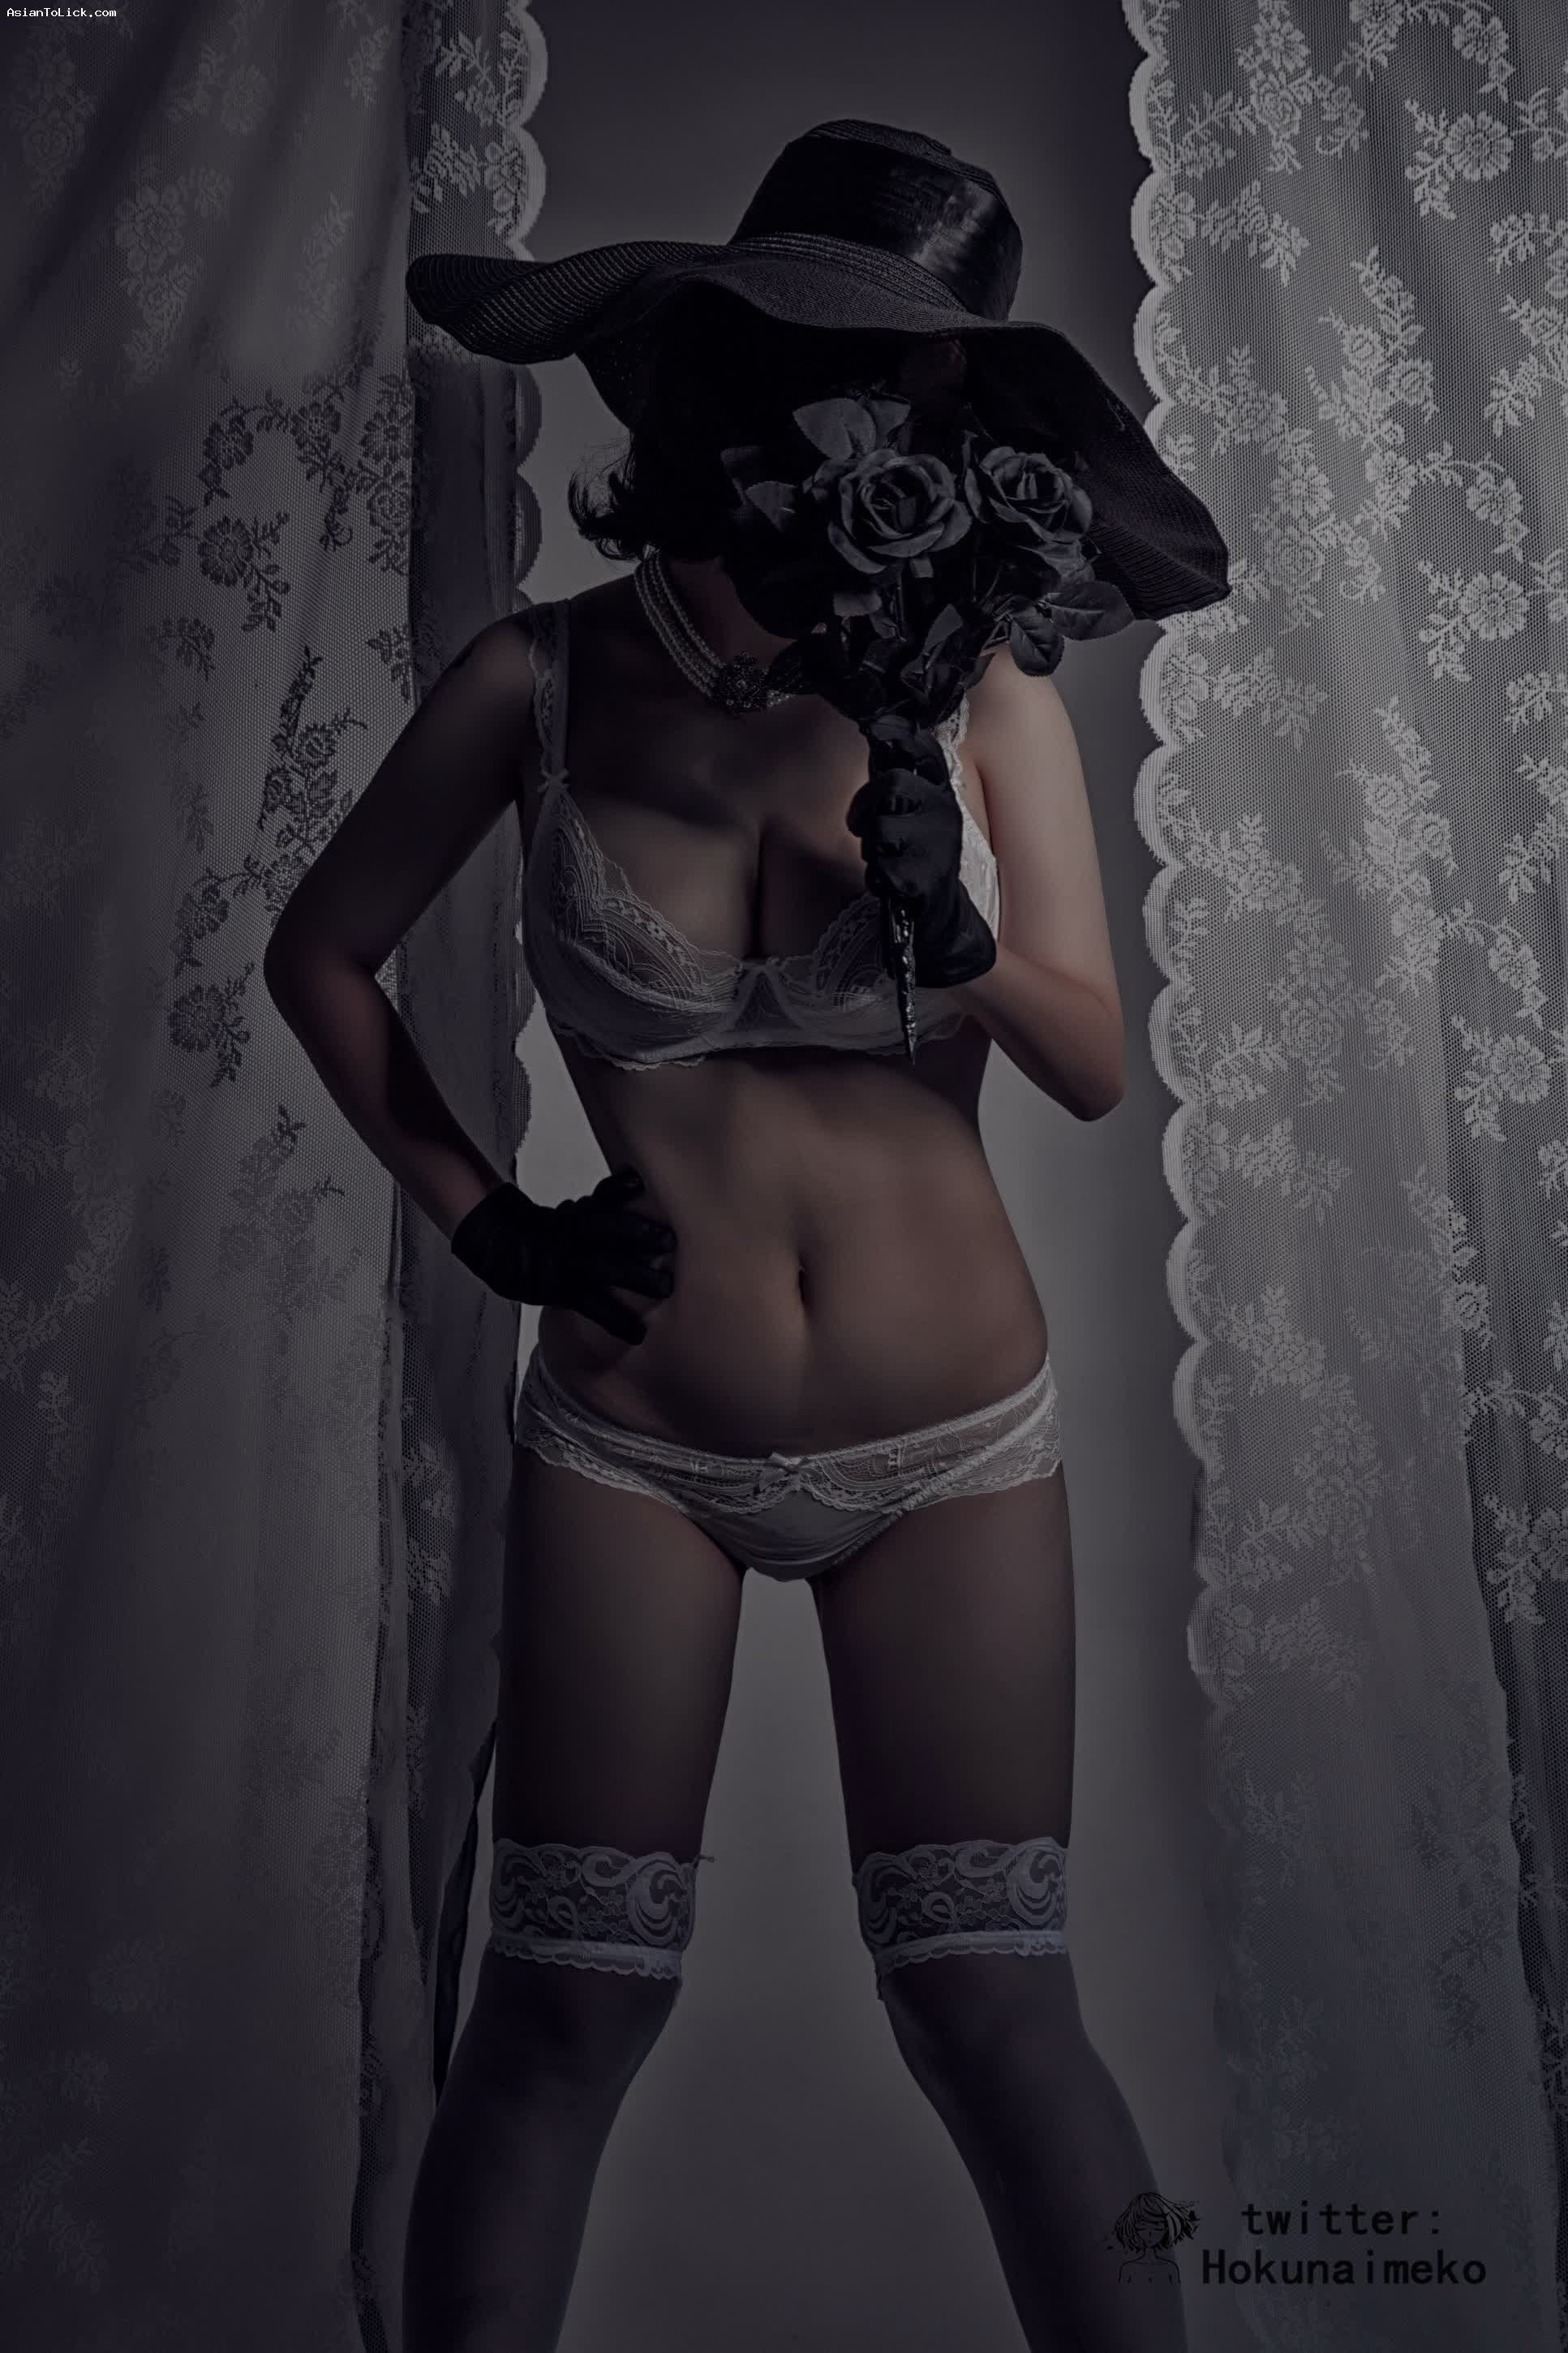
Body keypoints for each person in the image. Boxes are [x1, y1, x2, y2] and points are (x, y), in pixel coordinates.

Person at [265, 117, 1227, 2353]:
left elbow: (1091, 1062)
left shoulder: (984, 690)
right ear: (721, 379)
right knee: (561, 2012)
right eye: (834, 370)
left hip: (950, 1442)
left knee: (993, 2012)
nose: (875, 424)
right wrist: (489, 1224)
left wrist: (956, 939)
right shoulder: (535, 679)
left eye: (918, 387)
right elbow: (320, 953)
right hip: (637, 1439)